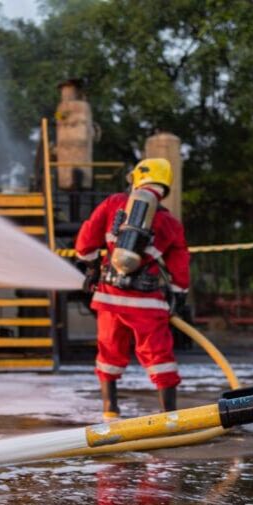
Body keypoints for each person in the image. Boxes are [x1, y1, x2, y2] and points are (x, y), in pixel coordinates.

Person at [75, 158, 190, 419]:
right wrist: (179, 294)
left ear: (138, 179)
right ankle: (169, 415)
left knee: (108, 351)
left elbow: (85, 241)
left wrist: (92, 268)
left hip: (109, 296)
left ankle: (110, 410)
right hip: (146, 302)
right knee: (159, 355)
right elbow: (180, 264)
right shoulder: (169, 222)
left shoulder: (113, 204)